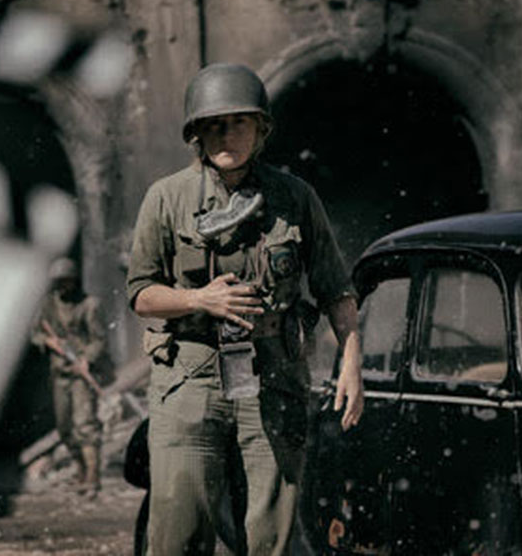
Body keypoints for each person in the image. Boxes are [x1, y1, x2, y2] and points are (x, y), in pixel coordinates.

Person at [126, 62, 365, 555]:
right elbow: (142, 294)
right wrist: (198, 299)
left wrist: (352, 362)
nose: (226, 133)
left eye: (238, 121)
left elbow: (335, 289)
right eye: (213, 124)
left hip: (274, 374)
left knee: (275, 532)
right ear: (196, 134)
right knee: (178, 530)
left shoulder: (294, 199)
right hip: (190, 376)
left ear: (261, 129)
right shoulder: (166, 199)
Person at [32, 257, 111, 497]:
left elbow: (99, 339)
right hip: (60, 373)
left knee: (85, 425)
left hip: (80, 374)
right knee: (65, 427)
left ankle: (92, 478)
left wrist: (87, 359)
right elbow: (35, 332)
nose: (61, 287)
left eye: (65, 281)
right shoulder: (48, 305)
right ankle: (80, 470)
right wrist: (48, 341)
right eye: (58, 282)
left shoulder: (90, 305)